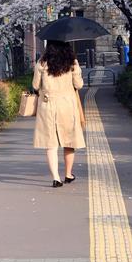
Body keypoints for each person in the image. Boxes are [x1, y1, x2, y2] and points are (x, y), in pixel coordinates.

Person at [32, 40, 86, 187]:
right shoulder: (72, 62)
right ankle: (68, 174)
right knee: (69, 141)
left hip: (47, 105)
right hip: (67, 105)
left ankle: (56, 178)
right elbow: (79, 85)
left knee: (51, 143)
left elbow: (35, 85)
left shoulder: (42, 62)